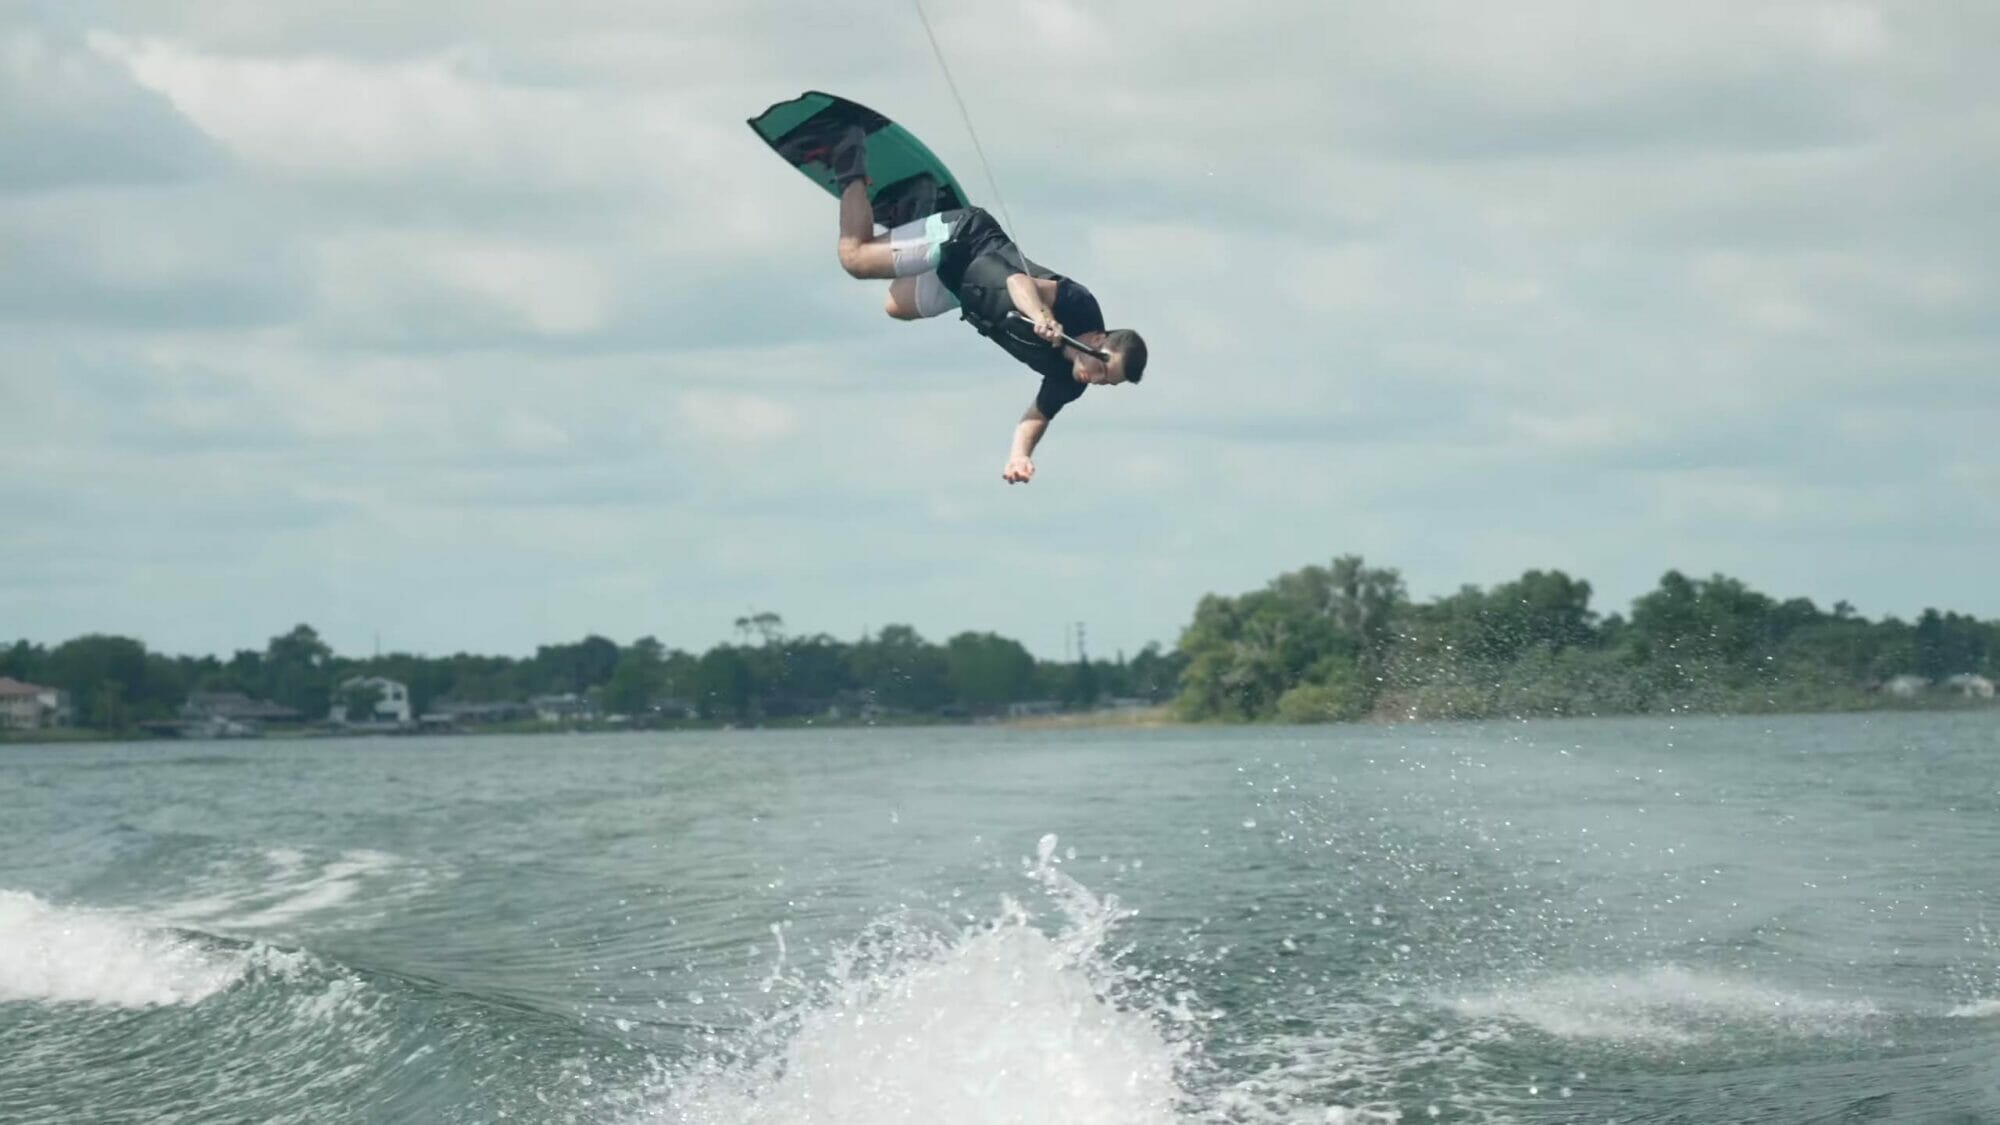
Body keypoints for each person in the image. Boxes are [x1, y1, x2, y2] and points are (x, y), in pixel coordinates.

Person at [819, 126, 1148, 484]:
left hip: (961, 289)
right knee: (855, 258)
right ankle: (849, 156)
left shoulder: (1069, 382)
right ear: (1098, 340)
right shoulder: (1080, 306)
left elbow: (1037, 417)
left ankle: (918, 205)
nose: (1096, 381)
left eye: (1106, 384)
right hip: (964, 240)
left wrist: (1019, 457)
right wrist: (1041, 315)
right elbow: (1017, 281)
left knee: (895, 307)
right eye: (1102, 370)